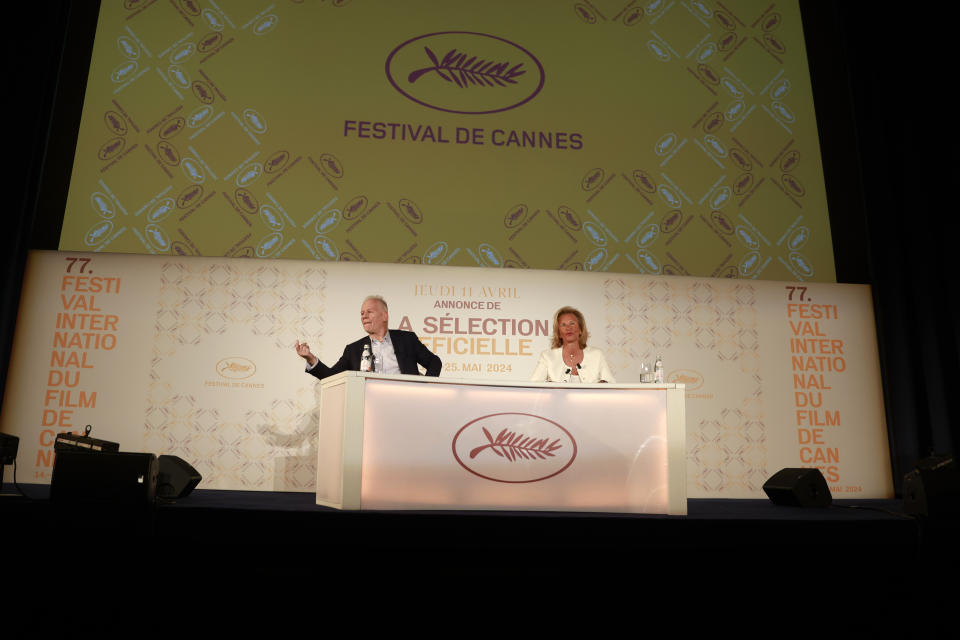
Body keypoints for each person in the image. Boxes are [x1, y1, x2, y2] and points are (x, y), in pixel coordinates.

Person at [296, 295, 441, 380]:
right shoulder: (353, 350)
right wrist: (311, 358)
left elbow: (434, 362)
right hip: (369, 406)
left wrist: (424, 388)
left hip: (406, 402)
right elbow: (331, 377)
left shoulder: (406, 339)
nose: (364, 316)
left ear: (384, 316)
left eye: (369, 312)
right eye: (362, 313)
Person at [529, 306, 615, 383]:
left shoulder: (597, 355)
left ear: (581, 329)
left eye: (572, 323)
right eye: (563, 325)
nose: (568, 328)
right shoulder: (547, 356)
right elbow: (534, 385)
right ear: (558, 333)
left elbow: (610, 384)